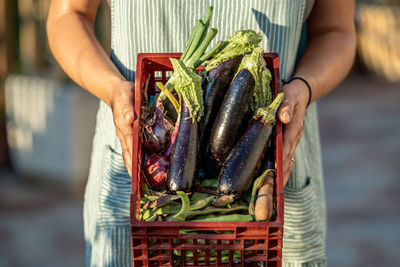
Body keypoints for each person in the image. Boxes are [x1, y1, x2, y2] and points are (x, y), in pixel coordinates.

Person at [47, 0, 356, 266]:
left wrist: (304, 86)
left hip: (270, 173)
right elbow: (67, 15)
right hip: (139, 174)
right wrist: (114, 91)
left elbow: (335, 31)